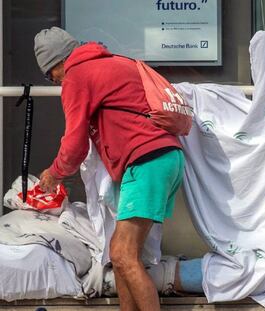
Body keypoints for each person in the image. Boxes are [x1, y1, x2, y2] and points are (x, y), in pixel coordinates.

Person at [34, 26, 186, 311]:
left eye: (48, 74)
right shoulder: (114, 62)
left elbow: (75, 143)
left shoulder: (77, 76)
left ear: (56, 63)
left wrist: (54, 173)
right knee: (119, 255)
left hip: (147, 161)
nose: (53, 81)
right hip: (162, 157)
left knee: (123, 254)